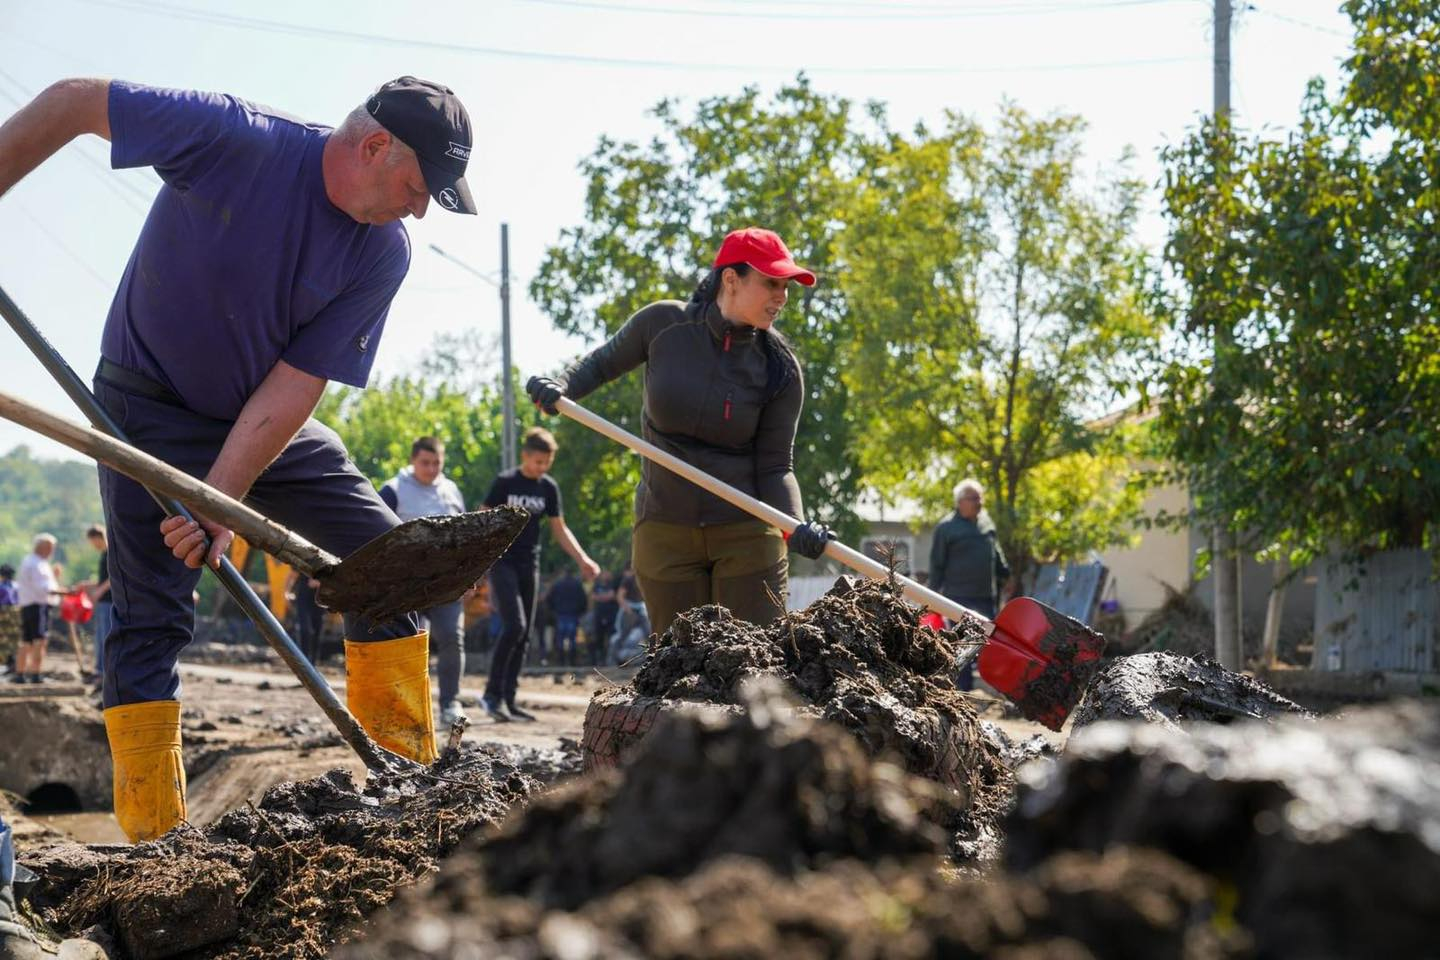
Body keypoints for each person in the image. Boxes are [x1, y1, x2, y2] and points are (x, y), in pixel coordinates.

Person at [0, 75, 476, 843]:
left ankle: (408, 808)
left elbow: (295, 384)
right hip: (146, 410)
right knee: (150, 619)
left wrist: (219, 499)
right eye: (418, 189)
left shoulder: (383, 252)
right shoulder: (236, 137)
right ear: (375, 147)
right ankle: (160, 845)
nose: (419, 210)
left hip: (261, 421)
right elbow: (75, 102)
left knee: (388, 563)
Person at [527, 227, 835, 635]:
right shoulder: (662, 325)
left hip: (746, 536)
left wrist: (795, 526)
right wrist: (561, 386)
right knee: (676, 663)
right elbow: (599, 364)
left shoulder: (780, 369)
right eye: (771, 283)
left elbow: (776, 466)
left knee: (755, 662)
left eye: (787, 287)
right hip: (664, 531)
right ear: (731, 278)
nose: (782, 297)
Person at [480, 428, 599, 722]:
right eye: (538, 462)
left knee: (524, 634)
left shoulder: (548, 487)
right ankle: (492, 696)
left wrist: (583, 559)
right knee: (514, 625)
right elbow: (481, 519)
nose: (542, 467)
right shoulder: (505, 482)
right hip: (503, 562)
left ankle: (509, 700)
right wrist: (478, 564)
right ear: (525, 455)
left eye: (547, 463)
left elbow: (559, 528)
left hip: (529, 564)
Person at [380, 436, 469, 726]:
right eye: (425, 463)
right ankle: (408, 707)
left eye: (436, 463)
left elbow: (466, 535)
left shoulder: (451, 490)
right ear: (412, 460)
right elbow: (376, 534)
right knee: (411, 645)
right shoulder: (393, 490)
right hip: (407, 585)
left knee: (452, 638)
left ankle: (450, 704)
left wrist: (468, 574)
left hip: (446, 583)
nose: (431, 469)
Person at [929, 479, 1011, 691]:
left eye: (980, 497)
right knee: (964, 644)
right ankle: (963, 691)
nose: (979, 502)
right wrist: (931, 597)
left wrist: (1006, 573)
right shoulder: (946, 528)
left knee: (988, 643)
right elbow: (937, 564)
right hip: (958, 598)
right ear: (960, 502)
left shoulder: (986, 524)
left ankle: (994, 689)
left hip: (986, 597)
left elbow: (996, 552)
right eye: (974, 498)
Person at [15, 535, 60, 685]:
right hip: (37, 606)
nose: (52, 551)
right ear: (43, 547)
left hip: (29, 605)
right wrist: (66, 592)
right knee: (39, 640)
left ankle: (20, 674)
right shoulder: (35, 564)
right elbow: (43, 588)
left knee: (26, 641)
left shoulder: (33, 562)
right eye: (50, 548)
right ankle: (35, 674)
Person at [82, 525, 112, 684]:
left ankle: (103, 672)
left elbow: (114, 576)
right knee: (100, 636)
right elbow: (103, 580)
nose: (93, 545)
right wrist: (88, 586)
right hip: (103, 601)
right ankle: (99, 670)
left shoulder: (112, 553)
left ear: (98, 537)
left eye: (92, 541)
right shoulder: (104, 555)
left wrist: (99, 591)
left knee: (105, 636)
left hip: (109, 601)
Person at [545, 566, 589, 667]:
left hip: (561, 614)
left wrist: (553, 610)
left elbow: (549, 599)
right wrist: (580, 611)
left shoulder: (557, 584)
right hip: (573, 614)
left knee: (560, 638)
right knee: (572, 638)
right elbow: (583, 600)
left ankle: (561, 662)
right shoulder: (577, 585)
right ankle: (572, 661)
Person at [284, 568, 325, 665]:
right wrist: (286, 593)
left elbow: (333, 579)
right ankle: (303, 661)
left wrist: (320, 583)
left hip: (319, 600)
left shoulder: (327, 562)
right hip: (303, 598)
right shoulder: (303, 561)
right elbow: (291, 575)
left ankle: (313, 663)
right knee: (305, 629)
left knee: (317, 631)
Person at [589, 568, 618, 666]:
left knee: (611, 637)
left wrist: (600, 597)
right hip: (599, 615)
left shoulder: (612, 584)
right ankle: (600, 660)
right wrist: (605, 597)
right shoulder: (596, 585)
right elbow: (593, 596)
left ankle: (610, 659)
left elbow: (612, 596)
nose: (605, 575)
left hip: (611, 615)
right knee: (599, 638)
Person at [0, 566, 19, 678]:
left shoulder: (1, 586)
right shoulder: (16, 586)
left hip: (3, 612)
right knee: (14, 639)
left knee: (3, 639)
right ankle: (13, 664)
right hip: (16, 612)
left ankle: (8, 663)